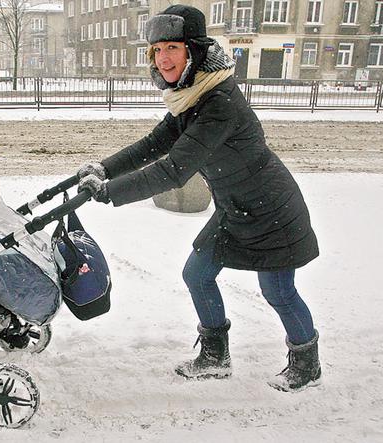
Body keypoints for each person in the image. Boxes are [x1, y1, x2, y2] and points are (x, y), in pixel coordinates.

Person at [76, 4, 321, 392]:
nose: (163, 58)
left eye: (171, 47)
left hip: (271, 208)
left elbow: (174, 169)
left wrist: (109, 193)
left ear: (194, 51)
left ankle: (307, 365)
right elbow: (156, 143)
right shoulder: (191, 95)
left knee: (278, 291)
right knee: (197, 274)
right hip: (233, 206)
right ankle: (214, 357)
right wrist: (104, 168)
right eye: (156, 50)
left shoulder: (218, 103)